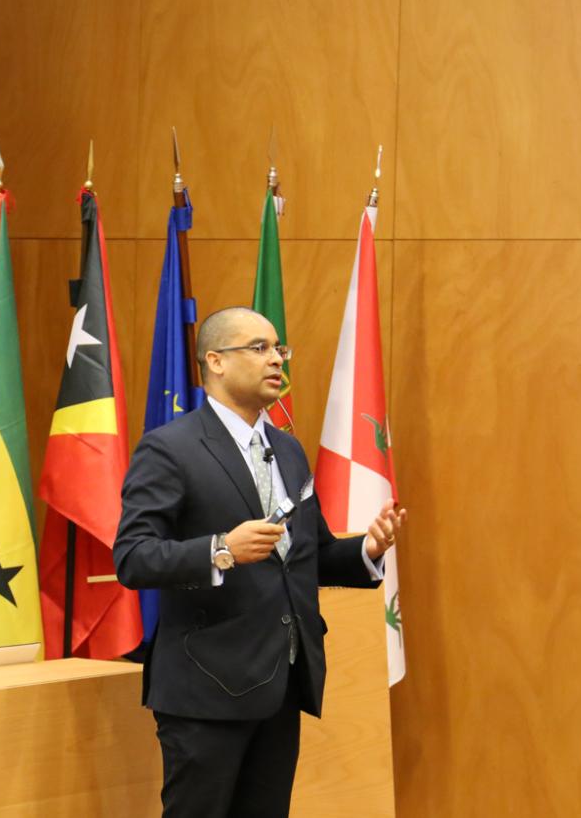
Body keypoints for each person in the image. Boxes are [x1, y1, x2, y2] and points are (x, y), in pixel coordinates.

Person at [114, 306, 406, 818]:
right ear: (216, 361)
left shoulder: (288, 451)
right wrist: (220, 548)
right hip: (205, 688)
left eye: (279, 349)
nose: (276, 360)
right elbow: (133, 557)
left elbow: (307, 556)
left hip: (280, 682)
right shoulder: (170, 449)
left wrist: (368, 549)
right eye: (259, 348)